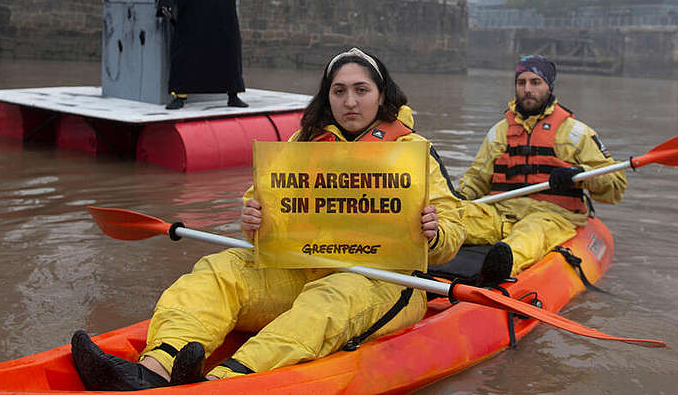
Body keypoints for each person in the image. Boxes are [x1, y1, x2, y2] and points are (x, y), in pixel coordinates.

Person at [71, 47, 465, 389]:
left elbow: (453, 229)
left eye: (361, 90)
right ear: (327, 98)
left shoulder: (413, 151)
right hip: (302, 268)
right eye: (339, 91)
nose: (350, 102)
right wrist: (254, 219)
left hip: (383, 281)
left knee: (331, 299)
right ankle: (156, 368)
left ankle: (222, 383)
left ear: (381, 96)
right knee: (219, 269)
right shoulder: (302, 144)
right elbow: (260, 210)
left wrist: (434, 232)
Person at [455, 54, 625, 283]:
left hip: (550, 216)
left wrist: (580, 175)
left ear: (549, 87)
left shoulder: (576, 133)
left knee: (529, 235)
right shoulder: (499, 132)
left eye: (535, 82)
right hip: (500, 213)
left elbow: (615, 187)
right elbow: (476, 179)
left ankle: (497, 272)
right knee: (453, 217)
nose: (527, 89)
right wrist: (456, 198)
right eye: (521, 82)